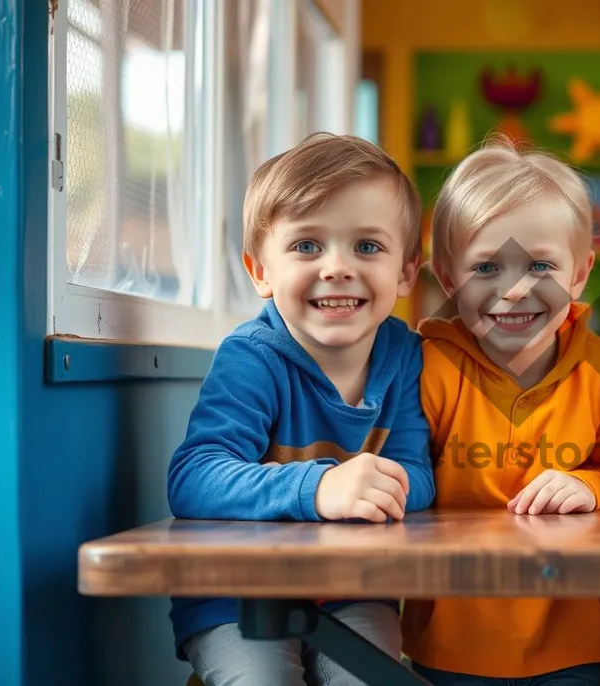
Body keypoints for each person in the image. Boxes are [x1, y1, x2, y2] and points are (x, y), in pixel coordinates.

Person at [166, 132, 435, 685]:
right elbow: (193, 476)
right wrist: (320, 489)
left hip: (352, 588)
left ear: (407, 272)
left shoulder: (405, 354)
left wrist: (386, 486)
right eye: (307, 246)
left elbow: (418, 472)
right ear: (260, 271)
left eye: (367, 246)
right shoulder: (252, 357)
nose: (336, 267)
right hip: (238, 596)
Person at [400, 136, 600, 685]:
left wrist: (591, 486)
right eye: (486, 268)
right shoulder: (426, 368)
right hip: (448, 645)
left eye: (542, 264)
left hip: (572, 642)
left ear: (579, 274)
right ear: (447, 278)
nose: (514, 289)